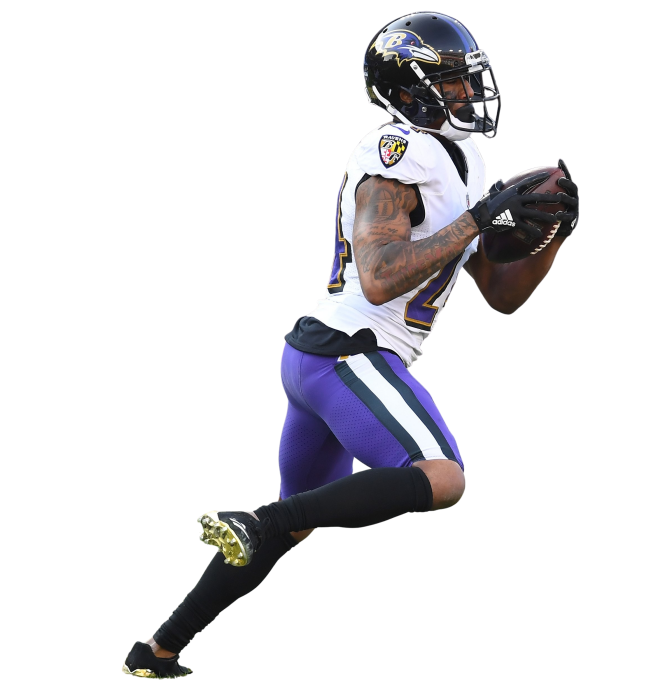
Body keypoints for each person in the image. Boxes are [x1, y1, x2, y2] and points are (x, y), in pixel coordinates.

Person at [121, 10, 579, 679]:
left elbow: (500, 294)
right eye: (452, 81)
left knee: (291, 524)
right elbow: (380, 274)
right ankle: (255, 519)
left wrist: (553, 232)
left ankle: (156, 650)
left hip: (318, 358)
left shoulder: (465, 159)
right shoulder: (396, 149)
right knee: (442, 477)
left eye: (468, 78)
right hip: (350, 349)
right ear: (409, 89)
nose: (467, 93)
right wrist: (480, 219)